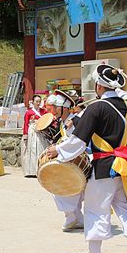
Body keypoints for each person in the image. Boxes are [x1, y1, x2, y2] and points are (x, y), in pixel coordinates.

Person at [46, 65, 127, 253]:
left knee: (96, 210)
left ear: (98, 85)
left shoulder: (95, 108)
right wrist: (119, 81)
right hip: (124, 169)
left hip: (103, 168)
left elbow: (79, 142)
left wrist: (58, 151)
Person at [46, 90, 85, 232]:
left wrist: (59, 149)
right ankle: (77, 218)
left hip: (80, 158)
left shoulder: (77, 120)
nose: (54, 111)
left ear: (64, 108)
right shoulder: (63, 122)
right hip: (69, 158)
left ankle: (71, 216)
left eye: (56, 108)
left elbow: (78, 142)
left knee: (67, 186)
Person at [22, 94, 47, 177]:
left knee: (40, 149)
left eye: (39, 101)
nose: (38, 103)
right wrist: (25, 135)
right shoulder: (28, 112)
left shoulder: (44, 111)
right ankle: (31, 170)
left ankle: (40, 168)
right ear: (33, 102)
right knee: (32, 150)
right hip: (32, 131)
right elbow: (25, 124)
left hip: (40, 131)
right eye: (36, 101)